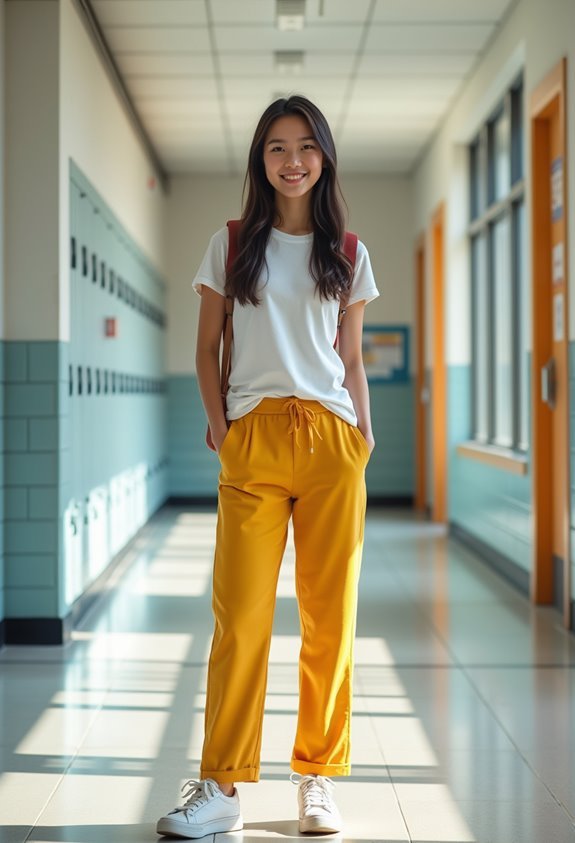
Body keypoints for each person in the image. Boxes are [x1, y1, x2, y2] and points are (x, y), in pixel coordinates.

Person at [156, 95, 379, 839]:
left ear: (324, 157)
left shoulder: (347, 251)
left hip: (330, 441)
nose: (292, 160)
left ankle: (316, 777)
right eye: (277, 147)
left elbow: (349, 357)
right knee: (240, 617)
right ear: (261, 159)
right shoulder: (229, 242)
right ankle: (221, 785)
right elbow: (205, 345)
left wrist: (363, 437)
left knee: (329, 620)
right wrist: (222, 422)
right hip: (252, 438)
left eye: (305, 146)